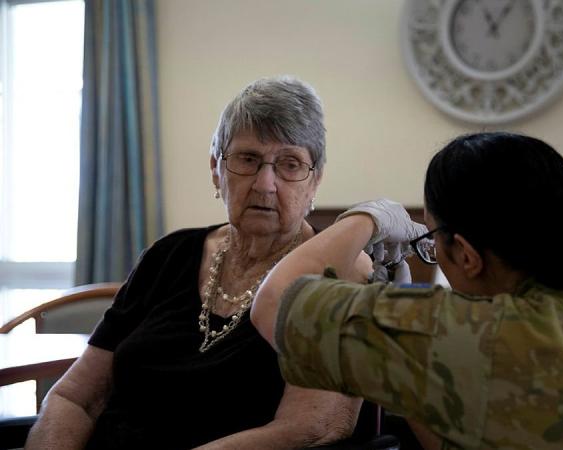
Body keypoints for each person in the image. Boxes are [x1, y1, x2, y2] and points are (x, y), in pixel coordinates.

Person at [251, 132, 563, 449]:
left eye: (430, 240)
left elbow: (273, 303)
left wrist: (369, 217)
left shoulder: (478, 335)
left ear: (464, 254)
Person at [26, 76, 371, 449]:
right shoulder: (168, 256)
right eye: (248, 159)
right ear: (215, 169)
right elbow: (74, 398)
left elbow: (311, 428)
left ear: (315, 180)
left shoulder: (336, 276)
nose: (265, 183)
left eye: (289, 164)